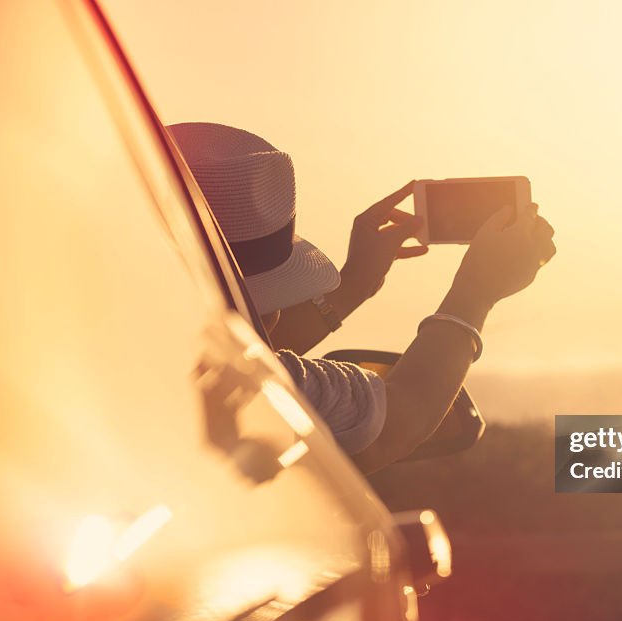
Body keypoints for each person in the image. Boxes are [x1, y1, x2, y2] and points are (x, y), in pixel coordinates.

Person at [168, 122, 555, 473]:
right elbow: (397, 423)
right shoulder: (235, 386)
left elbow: (249, 350)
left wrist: (355, 282)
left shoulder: (148, 354)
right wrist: (477, 292)